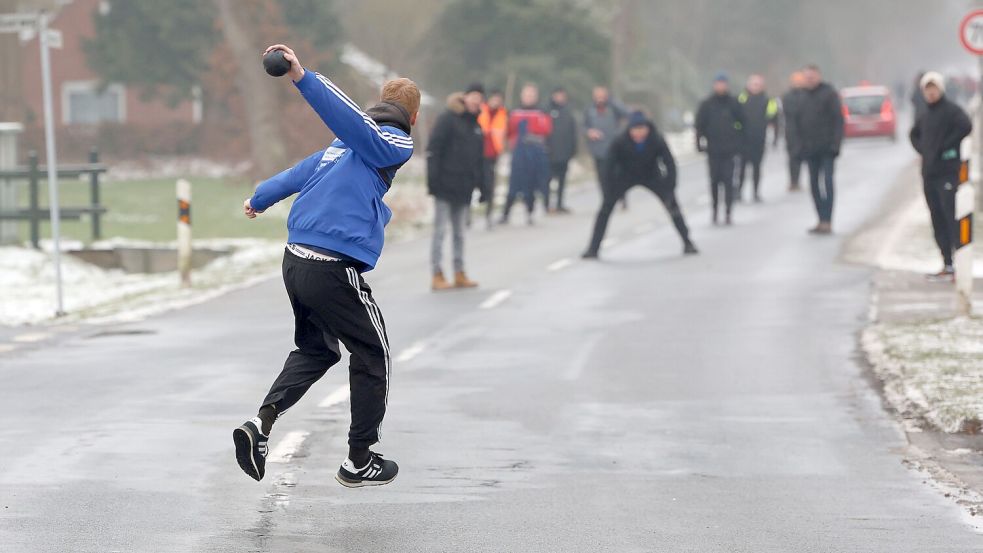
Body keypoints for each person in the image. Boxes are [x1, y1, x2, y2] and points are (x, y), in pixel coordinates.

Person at [234, 44, 419, 488]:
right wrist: (302, 76)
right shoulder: (392, 142)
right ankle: (360, 458)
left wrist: (258, 198)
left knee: (317, 350)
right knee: (373, 353)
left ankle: (261, 423)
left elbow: (298, 173)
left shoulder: (339, 148)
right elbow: (356, 125)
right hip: (331, 267)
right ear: (413, 118)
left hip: (296, 260)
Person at [583, 111, 698, 259]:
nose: (639, 134)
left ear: (647, 128)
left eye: (642, 129)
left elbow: (669, 162)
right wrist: (608, 189)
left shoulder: (656, 139)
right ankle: (593, 248)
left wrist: (670, 185)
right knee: (605, 209)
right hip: (624, 175)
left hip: (651, 174)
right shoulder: (619, 141)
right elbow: (608, 166)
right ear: (630, 130)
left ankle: (687, 242)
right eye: (635, 130)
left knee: (672, 205)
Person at [909, 71, 972, 281]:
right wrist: (924, 151)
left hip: (947, 173)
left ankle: (959, 262)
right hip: (929, 173)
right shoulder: (924, 114)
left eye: (934, 89)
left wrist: (947, 147)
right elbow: (914, 134)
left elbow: (966, 126)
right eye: (927, 90)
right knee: (936, 218)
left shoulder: (952, 111)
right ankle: (946, 262)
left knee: (950, 215)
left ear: (940, 89)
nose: (931, 93)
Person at [427, 84, 484, 291]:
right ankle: (437, 274)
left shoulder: (476, 125)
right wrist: (432, 181)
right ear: (464, 97)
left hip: (464, 187)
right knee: (440, 231)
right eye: (473, 97)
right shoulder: (447, 119)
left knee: (460, 232)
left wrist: (482, 186)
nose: (476, 101)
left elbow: (479, 159)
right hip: (444, 185)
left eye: (479, 98)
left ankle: (460, 273)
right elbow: (434, 149)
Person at [795, 64, 844, 235]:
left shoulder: (829, 94)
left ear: (818, 76)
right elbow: (797, 124)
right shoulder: (801, 97)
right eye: (807, 77)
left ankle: (828, 220)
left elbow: (838, 120)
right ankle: (820, 218)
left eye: (812, 76)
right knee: (814, 185)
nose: (810, 79)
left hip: (827, 148)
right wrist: (798, 147)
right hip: (810, 149)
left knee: (828, 183)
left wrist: (836, 144)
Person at [695, 73, 744, 225]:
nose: (721, 86)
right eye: (718, 83)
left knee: (729, 181)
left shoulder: (733, 103)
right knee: (714, 181)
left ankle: (728, 211)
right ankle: (715, 210)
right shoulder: (707, 104)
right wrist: (699, 143)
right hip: (713, 149)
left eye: (723, 83)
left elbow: (742, 123)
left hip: (730, 150)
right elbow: (699, 126)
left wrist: (739, 142)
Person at [501, 83, 552, 225]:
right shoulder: (515, 113)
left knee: (531, 184)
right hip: (519, 152)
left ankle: (530, 212)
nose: (529, 98)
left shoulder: (541, 113)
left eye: (531, 95)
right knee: (514, 184)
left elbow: (545, 130)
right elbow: (509, 131)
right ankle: (505, 214)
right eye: (526, 95)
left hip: (535, 153)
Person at [584, 86, 628, 209]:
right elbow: (584, 126)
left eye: (602, 94)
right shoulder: (589, 109)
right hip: (598, 149)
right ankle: (607, 200)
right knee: (603, 177)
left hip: (614, 148)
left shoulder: (613, 107)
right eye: (597, 95)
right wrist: (589, 132)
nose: (600, 97)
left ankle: (622, 197)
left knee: (617, 174)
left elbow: (627, 114)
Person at [737, 74, 778, 202]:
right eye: (754, 84)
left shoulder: (768, 100)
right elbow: (735, 116)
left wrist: (774, 137)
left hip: (759, 138)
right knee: (741, 168)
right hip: (743, 139)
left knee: (757, 167)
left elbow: (774, 118)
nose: (756, 87)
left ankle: (755, 192)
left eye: (758, 84)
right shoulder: (741, 98)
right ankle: (738, 192)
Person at [477, 89, 508, 228]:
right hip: (478, 152)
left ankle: (488, 214)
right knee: (474, 182)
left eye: (498, 99)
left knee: (490, 185)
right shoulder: (481, 110)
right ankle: (467, 215)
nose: (496, 102)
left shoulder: (503, 114)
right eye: (493, 99)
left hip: (493, 154)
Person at [546, 87, 578, 213]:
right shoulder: (547, 111)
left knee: (562, 181)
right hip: (550, 153)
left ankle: (559, 204)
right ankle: (547, 204)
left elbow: (572, 132)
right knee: (548, 180)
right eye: (558, 95)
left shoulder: (568, 112)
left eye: (562, 96)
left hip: (564, 153)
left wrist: (573, 149)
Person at [781, 72, 806, 191]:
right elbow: (788, 112)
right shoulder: (787, 96)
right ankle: (794, 181)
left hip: (805, 131)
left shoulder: (807, 95)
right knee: (793, 158)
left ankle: (799, 181)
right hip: (792, 132)